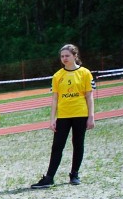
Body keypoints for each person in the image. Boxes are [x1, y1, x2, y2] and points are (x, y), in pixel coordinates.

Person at [31, 44, 96, 188]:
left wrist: (91, 116)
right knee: (57, 146)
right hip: (64, 116)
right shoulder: (57, 76)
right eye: (62, 56)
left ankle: (74, 174)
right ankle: (49, 178)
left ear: (75, 56)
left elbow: (89, 96)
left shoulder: (85, 73)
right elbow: (54, 99)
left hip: (80, 113)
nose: (64, 58)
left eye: (67, 56)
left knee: (78, 144)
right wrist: (52, 119)